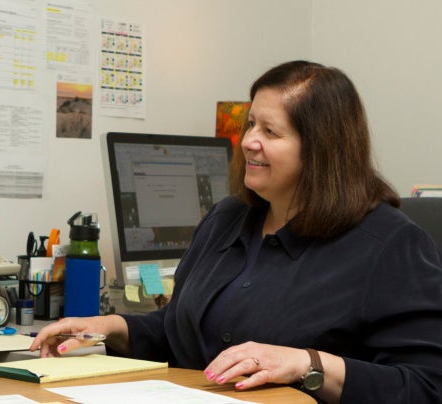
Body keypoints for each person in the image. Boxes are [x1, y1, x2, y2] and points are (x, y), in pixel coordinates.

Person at [31, 61, 442, 403]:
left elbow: (426, 386)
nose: (248, 142)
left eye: (270, 131)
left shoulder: (389, 245)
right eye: (250, 125)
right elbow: (182, 332)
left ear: (321, 149)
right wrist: (111, 328)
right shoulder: (228, 217)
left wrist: (308, 364)